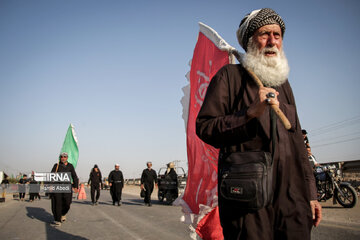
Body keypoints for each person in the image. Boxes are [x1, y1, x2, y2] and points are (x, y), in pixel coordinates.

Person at [196, 8, 322, 239]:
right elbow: (205, 127)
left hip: (292, 199)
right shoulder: (229, 77)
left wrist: (311, 194)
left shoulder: (284, 86)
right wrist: (249, 113)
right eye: (264, 34)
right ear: (250, 41)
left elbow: (298, 145)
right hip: (247, 199)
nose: (272, 41)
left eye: (277, 35)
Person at [50, 152, 79, 227]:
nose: (63, 158)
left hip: (67, 186)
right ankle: (58, 220)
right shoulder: (56, 166)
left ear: (67, 158)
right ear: (60, 157)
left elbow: (74, 176)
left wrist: (75, 186)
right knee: (58, 203)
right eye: (62, 157)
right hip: (57, 186)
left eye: (65, 157)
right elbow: (51, 175)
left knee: (67, 203)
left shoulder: (70, 166)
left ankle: (63, 213)